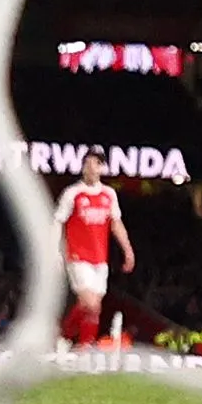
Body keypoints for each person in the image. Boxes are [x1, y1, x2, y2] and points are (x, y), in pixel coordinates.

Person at [55, 150, 134, 350]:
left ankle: (82, 345)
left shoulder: (109, 194)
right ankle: (63, 335)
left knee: (93, 308)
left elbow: (116, 223)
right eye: (87, 163)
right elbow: (58, 222)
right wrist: (55, 252)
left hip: (100, 258)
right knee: (90, 303)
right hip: (77, 256)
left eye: (95, 164)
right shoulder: (72, 193)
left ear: (101, 168)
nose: (91, 167)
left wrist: (128, 250)